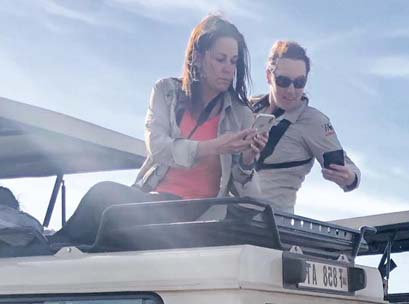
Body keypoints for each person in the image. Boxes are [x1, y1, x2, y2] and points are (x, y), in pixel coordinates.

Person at [53, 15, 266, 246]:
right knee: (103, 202)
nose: (228, 69)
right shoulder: (167, 92)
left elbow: (243, 190)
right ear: (198, 57)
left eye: (234, 62)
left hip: (199, 213)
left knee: (104, 199)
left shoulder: (240, 114)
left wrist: (247, 160)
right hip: (153, 199)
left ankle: (49, 252)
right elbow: (157, 147)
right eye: (220, 59)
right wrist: (214, 146)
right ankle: (49, 252)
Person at [245, 40, 360, 214]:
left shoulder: (314, 121)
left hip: (272, 226)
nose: (291, 90)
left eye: (299, 82)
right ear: (269, 76)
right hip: (228, 219)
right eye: (283, 81)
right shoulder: (246, 107)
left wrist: (349, 177)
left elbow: (350, 170)